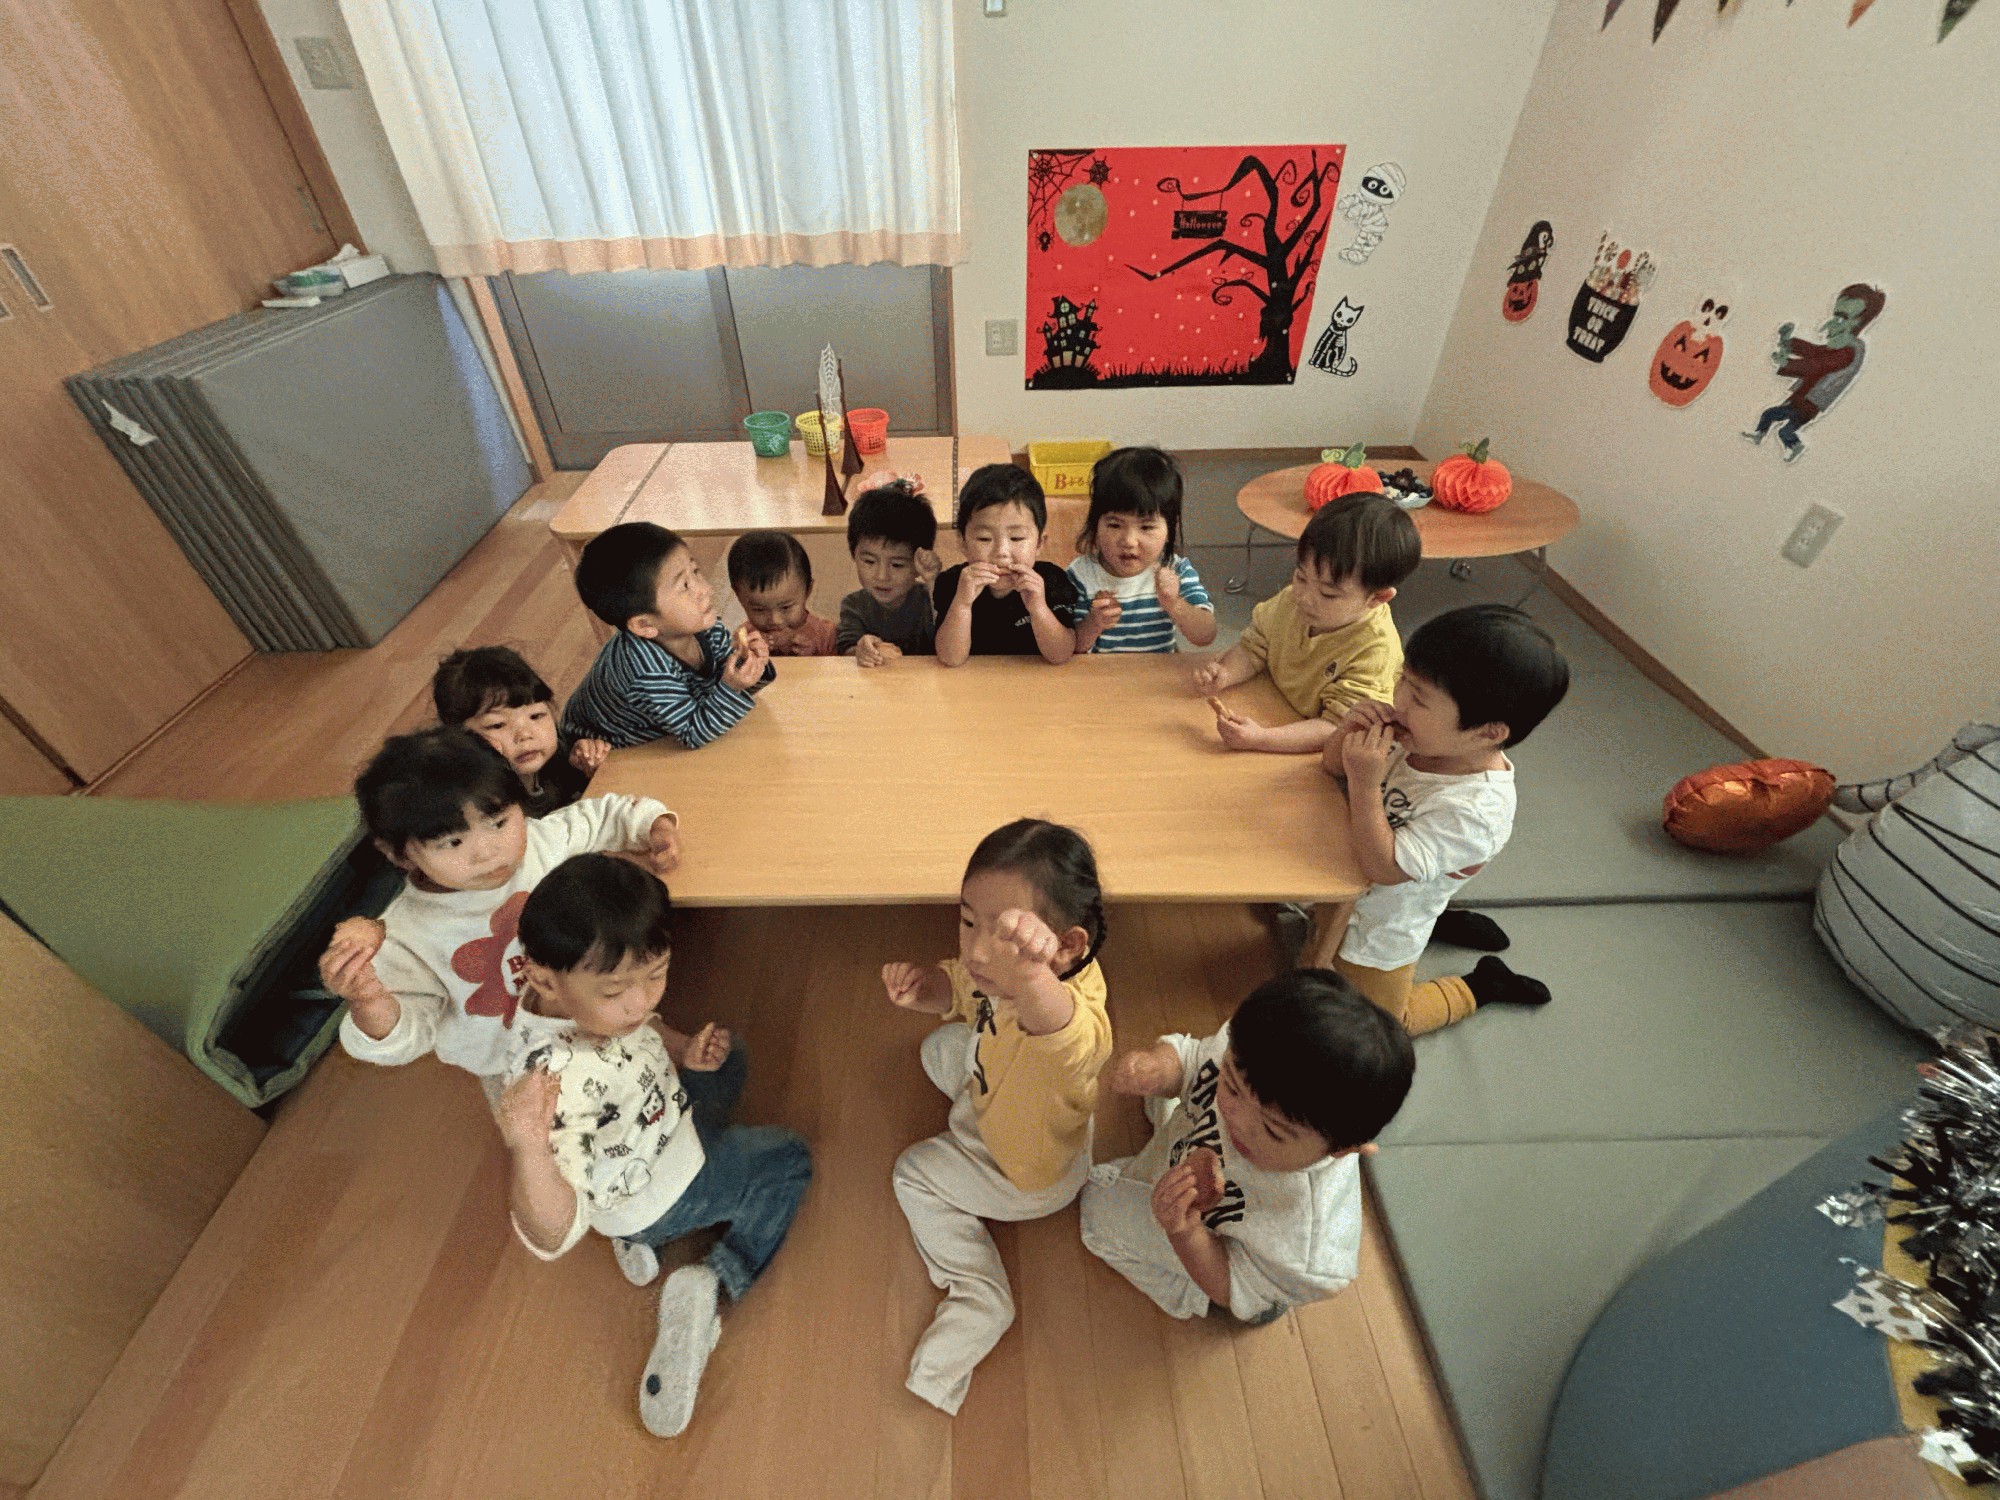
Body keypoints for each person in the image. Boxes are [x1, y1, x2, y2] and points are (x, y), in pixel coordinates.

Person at [495, 853, 811, 1438]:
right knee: (789, 1159)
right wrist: (529, 1149)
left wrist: (682, 1049)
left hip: (655, 1120)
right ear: (543, 978)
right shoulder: (554, 1087)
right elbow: (552, 1234)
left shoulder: (567, 998)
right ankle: (715, 1277)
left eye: (656, 974)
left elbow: (639, 1027)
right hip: (659, 1189)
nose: (640, 1002)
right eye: (617, 990)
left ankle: (643, 1241)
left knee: (729, 1056)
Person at [882, 819, 1111, 1413]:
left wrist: (1029, 975)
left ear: (1067, 948)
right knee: (940, 1045)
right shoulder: (1006, 970)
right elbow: (962, 988)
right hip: (1008, 1098)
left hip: (1025, 1171)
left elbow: (1065, 1034)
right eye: (968, 922)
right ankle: (979, 1097)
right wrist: (925, 988)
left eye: (1005, 936)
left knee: (912, 1174)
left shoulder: (1067, 1016)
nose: (978, 949)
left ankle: (979, 1297)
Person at [316, 726, 679, 1089]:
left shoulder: (540, 845)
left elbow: (602, 816)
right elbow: (404, 1037)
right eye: (452, 842)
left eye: (499, 823)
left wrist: (653, 826)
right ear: (399, 854)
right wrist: (368, 1001)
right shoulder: (408, 936)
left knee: (651, 1087)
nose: (487, 852)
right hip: (514, 1066)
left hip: (594, 1019)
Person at [1079, 968, 1413, 1323]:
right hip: (1188, 1157)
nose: (1235, 1118)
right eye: (1232, 1086)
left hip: (1232, 1263)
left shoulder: (1306, 1247)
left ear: (1342, 1148)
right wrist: (1159, 1068)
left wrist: (1186, 1233)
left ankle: (1187, 1292)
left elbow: (1230, 1283)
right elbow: (1193, 1057)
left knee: (1096, 1209)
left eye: (1272, 1130)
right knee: (1166, 1096)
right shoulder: (1253, 1054)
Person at [1304, 604, 1569, 1033]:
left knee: (1378, 1026)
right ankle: (1446, 914)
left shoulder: (1477, 811)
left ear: (1488, 732)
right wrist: (1345, 732)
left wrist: (1366, 785)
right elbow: (1332, 767)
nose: (1398, 700)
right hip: (1343, 891)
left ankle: (1482, 985)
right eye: (1402, 679)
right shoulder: (1421, 736)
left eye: (1419, 698)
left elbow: (1383, 868)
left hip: (1382, 930)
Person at [1191, 493, 1419, 753]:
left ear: (1377, 598)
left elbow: (1336, 728)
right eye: (1301, 577)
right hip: (1276, 706)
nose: (1303, 597)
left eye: (1328, 593)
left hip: (1322, 748)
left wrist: (1262, 739)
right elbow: (1254, 647)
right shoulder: (1292, 600)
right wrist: (1226, 673)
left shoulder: (1374, 652)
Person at [561, 521, 775, 750]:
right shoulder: (646, 671)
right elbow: (693, 733)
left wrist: (750, 664)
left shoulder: (703, 626)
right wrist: (731, 687)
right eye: (685, 585)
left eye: (695, 572)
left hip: (670, 722)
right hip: (603, 748)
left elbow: (722, 686)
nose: (704, 589)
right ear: (644, 624)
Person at [1068, 446, 1217, 654]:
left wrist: (1174, 604)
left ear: (1170, 530)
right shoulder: (1080, 574)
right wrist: (1094, 623)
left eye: (1146, 527)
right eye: (1114, 525)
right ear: (1095, 526)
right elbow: (1070, 648)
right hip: (1101, 673)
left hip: (1157, 671)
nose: (1129, 541)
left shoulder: (1175, 570)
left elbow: (1206, 636)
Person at [433, 645, 610, 818]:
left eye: (536, 716)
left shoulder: (557, 759)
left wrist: (586, 768)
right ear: (456, 738)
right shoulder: (481, 809)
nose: (525, 735)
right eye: (497, 725)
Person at [931, 464, 1080, 666]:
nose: (1001, 552)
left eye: (1016, 538)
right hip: (974, 682)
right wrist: (962, 604)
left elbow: (1060, 655)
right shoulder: (954, 582)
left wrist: (1038, 608)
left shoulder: (1051, 581)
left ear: (1039, 543)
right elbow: (951, 658)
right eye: (984, 539)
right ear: (963, 543)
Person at [836, 478, 941, 665]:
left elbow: (949, 637)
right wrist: (860, 650)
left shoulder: (929, 600)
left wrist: (933, 580)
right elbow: (846, 650)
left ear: (919, 564)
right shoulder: (854, 606)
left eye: (897, 565)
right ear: (854, 555)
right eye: (869, 561)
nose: (881, 576)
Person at [726, 529, 838, 657]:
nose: (775, 620)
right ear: (738, 596)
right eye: (759, 610)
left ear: (808, 590)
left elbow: (840, 667)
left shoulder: (825, 634)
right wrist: (746, 654)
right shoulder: (746, 636)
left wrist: (817, 656)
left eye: (786, 607)